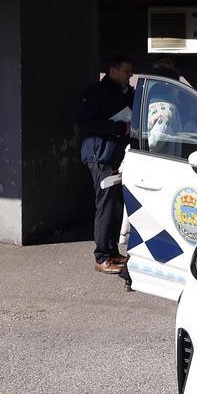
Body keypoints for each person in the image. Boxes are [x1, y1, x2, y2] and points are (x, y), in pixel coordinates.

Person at [77, 55, 134, 275]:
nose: (129, 75)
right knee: (106, 205)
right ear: (112, 71)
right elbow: (87, 123)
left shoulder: (125, 93)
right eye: (126, 70)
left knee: (116, 204)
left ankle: (112, 251)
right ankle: (101, 256)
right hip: (99, 156)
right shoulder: (94, 93)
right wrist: (120, 128)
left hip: (116, 157)